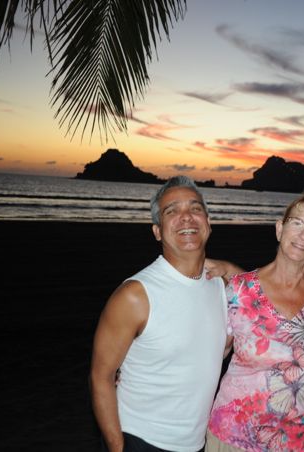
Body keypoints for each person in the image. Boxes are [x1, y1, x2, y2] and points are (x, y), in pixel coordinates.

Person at [90, 175, 228, 452]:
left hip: (195, 444)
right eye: (171, 211)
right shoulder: (135, 295)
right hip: (141, 439)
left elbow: (215, 350)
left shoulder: (222, 288)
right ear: (157, 231)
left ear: (208, 223)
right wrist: (117, 447)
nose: (186, 217)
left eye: (195, 208)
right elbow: (100, 376)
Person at [206, 190, 304, 452]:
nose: (303, 236)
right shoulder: (238, 290)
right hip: (235, 435)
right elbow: (210, 354)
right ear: (280, 229)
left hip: (303, 439)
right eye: (297, 223)